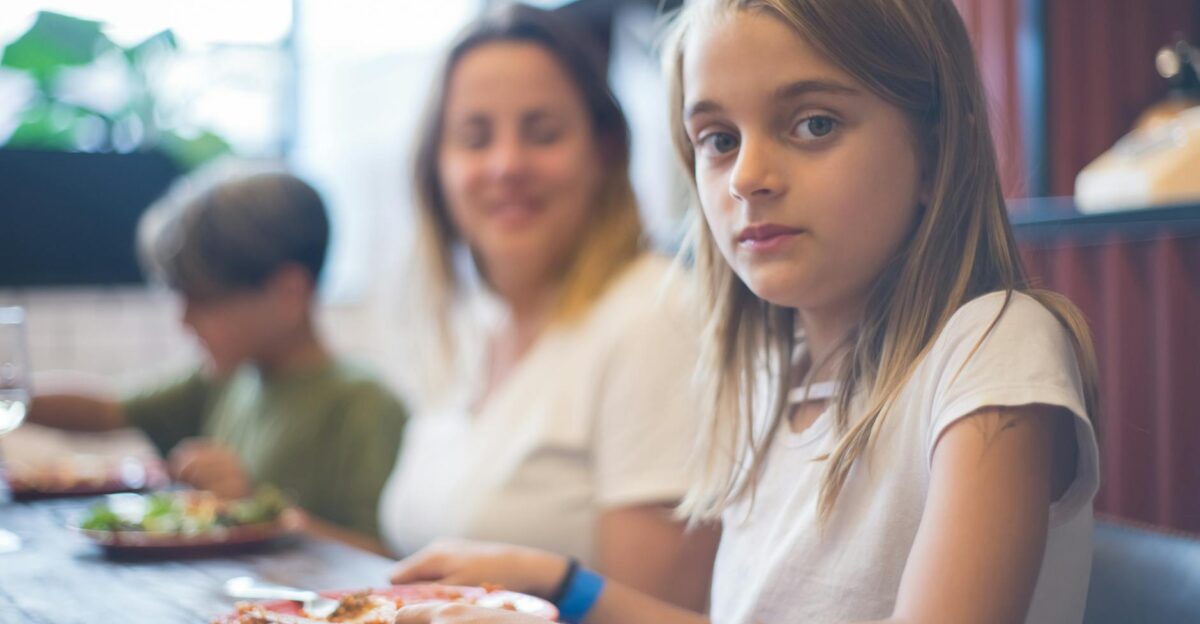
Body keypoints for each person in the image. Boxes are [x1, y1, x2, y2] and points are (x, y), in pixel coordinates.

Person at [383, 0, 1102, 622]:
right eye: (720, 140)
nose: (749, 177)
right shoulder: (772, 377)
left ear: (937, 144)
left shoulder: (994, 343)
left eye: (814, 124)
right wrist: (560, 586)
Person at [375, 3, 718, 611]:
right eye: (475, 137)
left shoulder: (654, 318)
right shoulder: (471, 324)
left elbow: (660, 610)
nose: (507, 165)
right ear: (437, 168)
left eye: (543, 133)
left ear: (605, 150)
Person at [28, 168, 408, 551]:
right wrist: (11, 394)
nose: (184, 318)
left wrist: (257, 511)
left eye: (205, 300)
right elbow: (105, 410)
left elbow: (383, 559)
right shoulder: (229, 376)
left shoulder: (363, 403)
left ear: (289, 293)